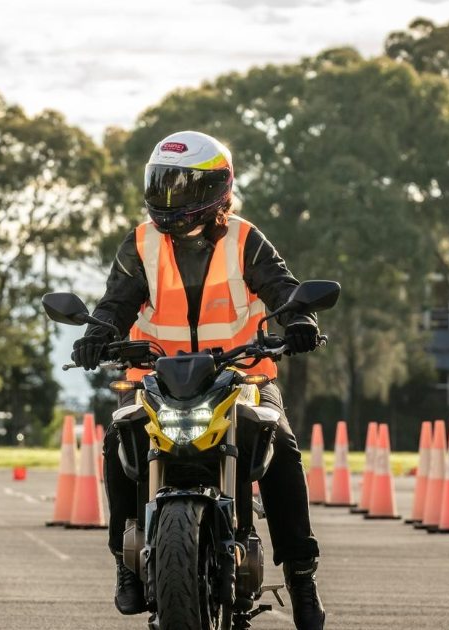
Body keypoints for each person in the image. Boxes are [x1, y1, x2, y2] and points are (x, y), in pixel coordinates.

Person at [71, 131, 326, 629]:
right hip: (158, 381)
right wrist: (96, 336)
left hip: (242, 377)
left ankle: (301, 574)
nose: (170, 198)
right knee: (117, 437)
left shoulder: (245, 240)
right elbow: (116, 303)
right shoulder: (141, 243)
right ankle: (125, 564)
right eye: (162, 185)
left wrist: (300, 323)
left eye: (182, 187)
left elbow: (282, 288)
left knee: (284, 449)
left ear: (218, 190)